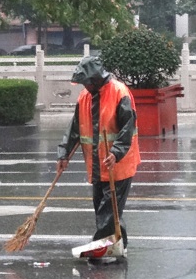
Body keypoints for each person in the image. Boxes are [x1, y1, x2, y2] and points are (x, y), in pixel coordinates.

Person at [57, 55, 140, 257]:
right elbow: (74, 129)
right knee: (107, 210)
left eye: (86, 82)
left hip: (118, 165)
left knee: (108, 210)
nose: (84, 86)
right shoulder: (85, 97)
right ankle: (120, 245)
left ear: (95, 79)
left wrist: (116, 152)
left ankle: (98, 247)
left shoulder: (119, 93)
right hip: (97, 165)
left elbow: (127, 128)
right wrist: (64, 154)